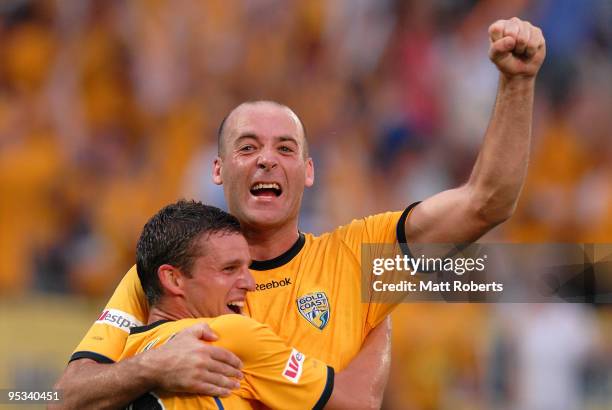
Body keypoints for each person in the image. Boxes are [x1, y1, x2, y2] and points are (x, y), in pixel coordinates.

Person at [53, 17, 546, 409]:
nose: (267, 158)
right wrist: (152, 368)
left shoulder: (362, 262)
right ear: (219, 170)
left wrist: (517, 83)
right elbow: (68, 396)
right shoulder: (172, 269)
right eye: (248, 147)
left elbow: (487, 201)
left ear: (309, 171)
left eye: (285, 148)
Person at [122, 199, 376, 409]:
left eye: (247, 267)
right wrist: (374, 307)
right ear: (173, 279)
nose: (250, 283)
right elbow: (358, 403)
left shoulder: (125, 356)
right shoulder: (229, 335)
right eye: (229, 268)